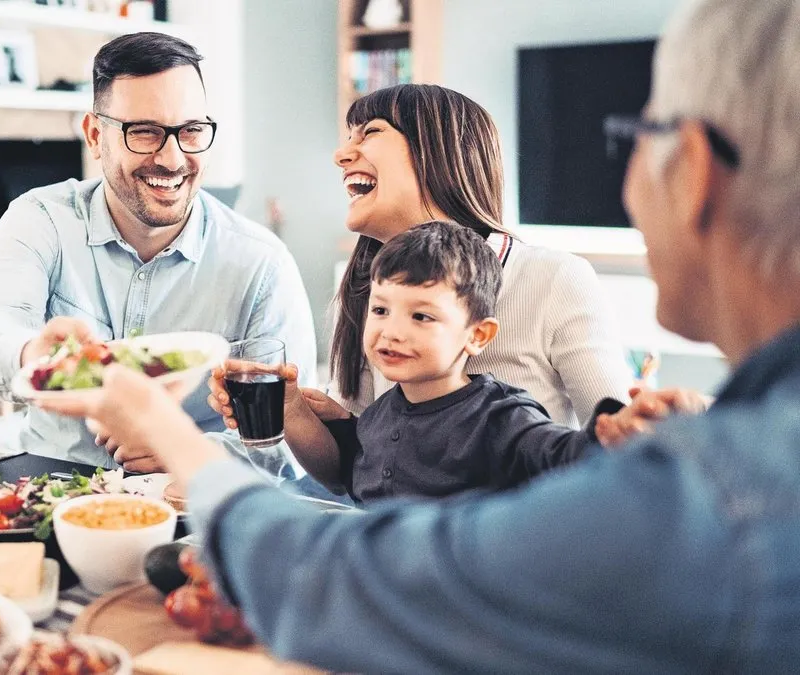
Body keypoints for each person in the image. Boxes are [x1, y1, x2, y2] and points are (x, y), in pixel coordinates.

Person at [39, 0, 800, 670]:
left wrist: (168, 429)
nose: (341, 154)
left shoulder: (704, 489)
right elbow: (367, 461)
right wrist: (300, 408)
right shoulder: (364, 281)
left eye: (636, 134)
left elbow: (605, 434)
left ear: (693, 169)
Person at [208, 83, 637, 482]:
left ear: (441, 153)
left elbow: (623, 451)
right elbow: (357, 470)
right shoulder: (362, 293)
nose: (341, 154)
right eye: (347, 138)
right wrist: (295, 410)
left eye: (369, 133)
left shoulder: (554, 278)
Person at [0, 31, 317, 469]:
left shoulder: (262, 263)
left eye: (191, 130)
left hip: (191, 506)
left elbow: (290, 440)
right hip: (53, 486)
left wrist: (185, 451)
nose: (172, 158)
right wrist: (37, 355)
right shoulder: (41, 219)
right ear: (94, 135)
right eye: (144, 133)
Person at [282, 220, 615, 503]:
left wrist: (609, 429)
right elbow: (355, 472)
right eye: (381, 310)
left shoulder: (501, 416)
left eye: (422, 316)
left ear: (478, 335)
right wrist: (314, 414)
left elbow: (565, 455)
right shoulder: (380, 414)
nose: (391, 332)